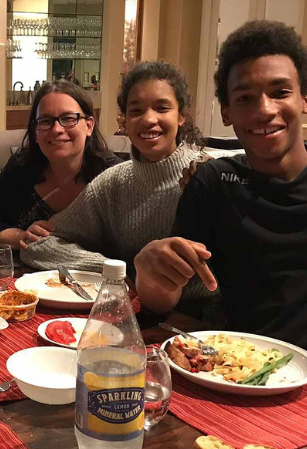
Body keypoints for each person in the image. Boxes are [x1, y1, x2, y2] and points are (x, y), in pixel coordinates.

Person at [134, 20, 307, 347]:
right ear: (226, 112)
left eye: (280, 92)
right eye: (245, 98)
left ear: (304, 99)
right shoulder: (215, 184)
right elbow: (163, 301)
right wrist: (150, 274)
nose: (264, 110)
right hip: (239, 370)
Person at [21, 61, 207, 297]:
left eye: (162, 108)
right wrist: (116, 269)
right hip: (129, 309)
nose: (149, 119)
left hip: (204, 326)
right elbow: (38, 247)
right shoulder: (112, 183)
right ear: (124, 121)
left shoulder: (206, 174)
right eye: (136, 111)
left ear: (182, 116)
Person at [0, 80, 121, 250]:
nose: (57, 129)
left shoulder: (114, 175)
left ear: (89, 126)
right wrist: (19, 237)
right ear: (35, 133)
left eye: (68, 118)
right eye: (45, 121)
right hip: (28, 274)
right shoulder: (20, 168)